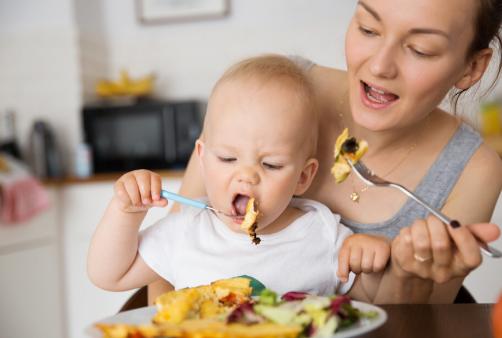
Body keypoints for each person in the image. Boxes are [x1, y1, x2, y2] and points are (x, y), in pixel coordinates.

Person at [148, 0, 502, 304]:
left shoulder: (473, 169)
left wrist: (409, 277)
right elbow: (168, 264)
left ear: (471, 68)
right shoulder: (273, 92)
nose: (379, 66)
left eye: (420, 49)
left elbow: (418, 322)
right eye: (368, 28)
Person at [87, 55, 400, 302]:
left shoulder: (322, 234)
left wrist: (370, 263)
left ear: (303, 177)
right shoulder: (187, 230)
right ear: (202, 157)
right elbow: (108, 275)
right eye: (227, 159)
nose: (247, 177)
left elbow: (371, 306)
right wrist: (126, 212)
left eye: (272, 164)